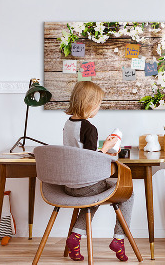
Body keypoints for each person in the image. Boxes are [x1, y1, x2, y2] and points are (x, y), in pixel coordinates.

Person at [63, 81, 133, 262]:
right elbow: (91, 160)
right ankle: (119, 239)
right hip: (86, 185)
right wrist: (108, 147)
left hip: (69, 185)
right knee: (128, 193)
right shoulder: (89, 128)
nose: (98, 108)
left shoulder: (68, 124)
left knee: (93, 196)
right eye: (98, 104)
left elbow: (80, 153)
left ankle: (75, 237)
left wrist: (103, 148)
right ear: (89, 104)